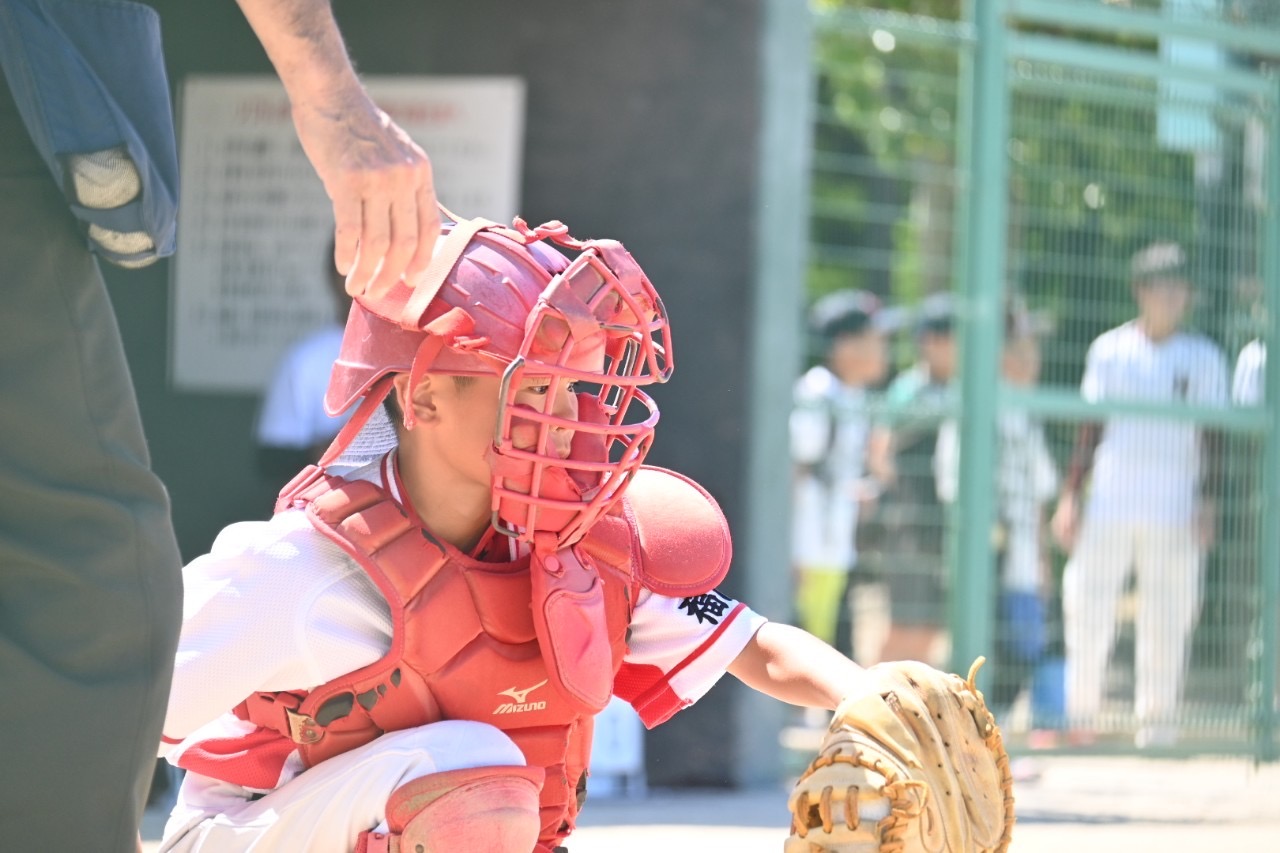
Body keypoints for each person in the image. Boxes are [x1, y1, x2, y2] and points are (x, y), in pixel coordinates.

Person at [156, 212, 881, 853]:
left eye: (571, 388)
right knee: (469, 766)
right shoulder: (304, 565)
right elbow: (122, 693)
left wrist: (880, 701)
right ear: (423, 397)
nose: (564, 417)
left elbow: (753, 644)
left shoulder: (577, 540)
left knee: (487, 790)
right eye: (535, 387)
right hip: (247, 836)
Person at [0, 2, 437, 850]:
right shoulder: (315, 366)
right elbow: (275, 457)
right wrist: (332, 97)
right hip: (331, 532)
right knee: (94, 576)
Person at [1051, 241, 1228, 748]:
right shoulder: (1109, 350)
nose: (1172, 295)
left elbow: (1214, 438)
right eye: (1161, 285)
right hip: (1109, 501)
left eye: (1180, 286)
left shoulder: (1205, 357)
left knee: (1170, 614)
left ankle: (1158, 728)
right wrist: (1071, 496)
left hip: (1176, 506)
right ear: (1140, 291)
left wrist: (1208, 501)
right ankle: (1080, 719)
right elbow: (1090, 428)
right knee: (1088, 606)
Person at [934, 306, 1058, 723]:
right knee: (979, 650)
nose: (1031, 361)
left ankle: (995, 734)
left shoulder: (1027, 411)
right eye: (1020, 351)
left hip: (1021, 555)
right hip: (983, 557)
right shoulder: (972, 403)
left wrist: (1041, 558)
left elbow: (1040, 493)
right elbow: (951, 484)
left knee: (1021, 651)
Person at [790, 289, 892, 657]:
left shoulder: (854, 396)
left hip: (833, 544)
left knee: (822, 642)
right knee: (804, 642)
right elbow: (796, 466)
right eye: (876, 339)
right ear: (844, 345)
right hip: (807, 545)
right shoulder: (818, 391)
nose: (884, 350)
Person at [865, 293, 956, 664]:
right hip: (909, 526)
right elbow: (880, 452)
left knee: (932, 627)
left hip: (943, 527)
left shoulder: (963, 389)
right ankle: (875, 693)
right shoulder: (909, 389)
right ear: (931, 341)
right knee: (905, 626)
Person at [257, 238, 356, 476]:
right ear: (333, 275)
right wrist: (354, 436)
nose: (366, 280)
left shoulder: (416, 353)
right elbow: (273, 463)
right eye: (353, 266)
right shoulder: (306, 359)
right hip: (332, 494)